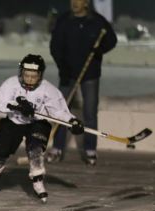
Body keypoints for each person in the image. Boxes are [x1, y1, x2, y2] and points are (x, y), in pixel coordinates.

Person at [0, 54, 84, 203]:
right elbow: (1, 103)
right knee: (0, 153)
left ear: (40, 75)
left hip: (37, 123)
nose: (29, 79)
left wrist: (72, 121)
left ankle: (37, 179)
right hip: (14, 121)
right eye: (26, 75)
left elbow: (58, 111)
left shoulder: (49, 90)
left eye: (33, 76)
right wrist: (18, 106)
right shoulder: (11, 84)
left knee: (36, 149)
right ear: (21, 73)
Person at [47, 0, 117, 166]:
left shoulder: (98, 21)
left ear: (86, 3)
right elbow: (55, 46)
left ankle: (90, 149)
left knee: (90, 112)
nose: (75, 3)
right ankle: (57, 148)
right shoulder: (64, 21)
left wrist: (99, 50)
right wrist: (62, 66)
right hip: (67, 74)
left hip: (90, 73)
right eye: (73, 0)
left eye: (79, 0)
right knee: (61, 111)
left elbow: (111, 40)